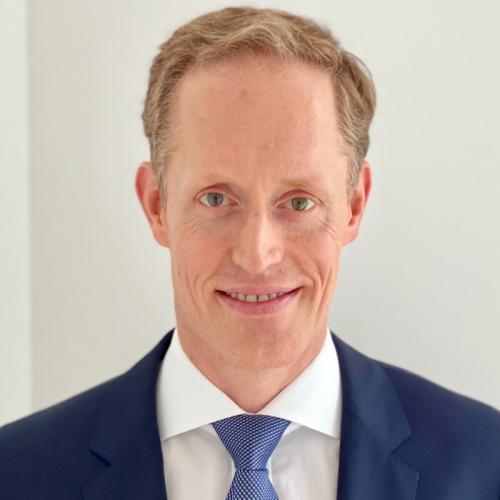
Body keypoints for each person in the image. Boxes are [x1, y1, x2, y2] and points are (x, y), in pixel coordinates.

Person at [1, 6, 499, 499]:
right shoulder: (17, 473)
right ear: (156, 205)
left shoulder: (486, 463)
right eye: (216, 199)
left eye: (299, 202)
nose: (258, 256)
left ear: (353, 206)